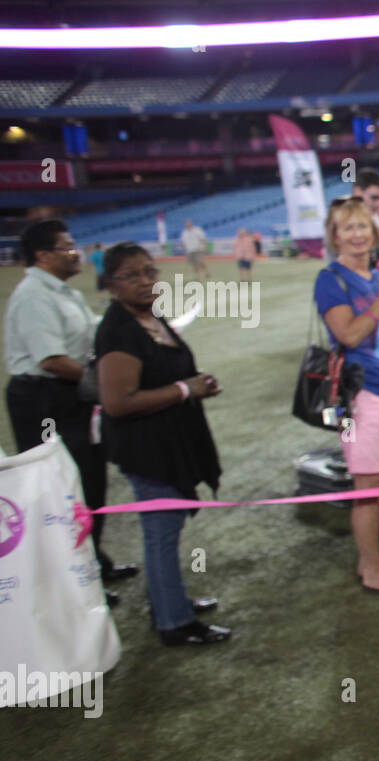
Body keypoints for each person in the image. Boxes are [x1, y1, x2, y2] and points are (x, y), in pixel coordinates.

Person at [95, 242, 226, 645]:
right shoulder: (118, 332)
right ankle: (174, 622)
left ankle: (169, 603)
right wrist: (185, 390)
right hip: (148, 450)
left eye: (150, 272)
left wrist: (195, 382)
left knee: (165, 529)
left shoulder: (151, 319)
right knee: (161, 531)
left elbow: (165, 373)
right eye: (131, 275)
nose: (146, 281)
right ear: (110, 284)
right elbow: (118, 402)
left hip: (170, 444)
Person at [4, 219, 138, 604]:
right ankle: (75, 577)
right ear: (42, 255)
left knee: (88, 480)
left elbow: (88, 335)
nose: (75, 250)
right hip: (47, 400)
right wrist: (103, 385)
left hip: (69, 396)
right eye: (66, 246)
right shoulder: (34, 296)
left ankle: (94, 561)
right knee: (62, 489)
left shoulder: (62, 293)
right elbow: (52, 360)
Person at [315, 198, 379, 596]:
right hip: (361, 396)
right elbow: (350, 334)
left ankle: (369, 559)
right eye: (347, 228)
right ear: (334, 236)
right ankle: (372, 572)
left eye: (362, 226)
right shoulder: (330, 280)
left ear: (373, 232)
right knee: (369, 482)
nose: (357, 235)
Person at [88, 242, 107, 307]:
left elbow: (90, 262)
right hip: (107, 273)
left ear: (95, 248)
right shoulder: (104, 254)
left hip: (100, 273)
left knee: (100, 289)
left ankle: (103, 302)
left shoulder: (95, 254)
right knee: (111, 288)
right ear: (100, 247)